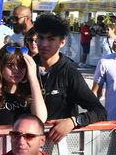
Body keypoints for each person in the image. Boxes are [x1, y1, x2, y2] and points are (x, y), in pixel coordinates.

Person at [33, 14, 106, 142]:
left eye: (51, 39)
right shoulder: (26, 66)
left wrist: (73, 121)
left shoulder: (69, 72)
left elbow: (100, 112)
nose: (44, 44)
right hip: (24, 144)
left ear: (62, 42)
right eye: (40, 37)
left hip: (57, 146)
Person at [0, 45, 47, 126]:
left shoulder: (30, 89)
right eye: (10, 65)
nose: (16, 70)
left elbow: (41, 118)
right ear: (0, 66)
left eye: (21, 66)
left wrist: (33, 77)